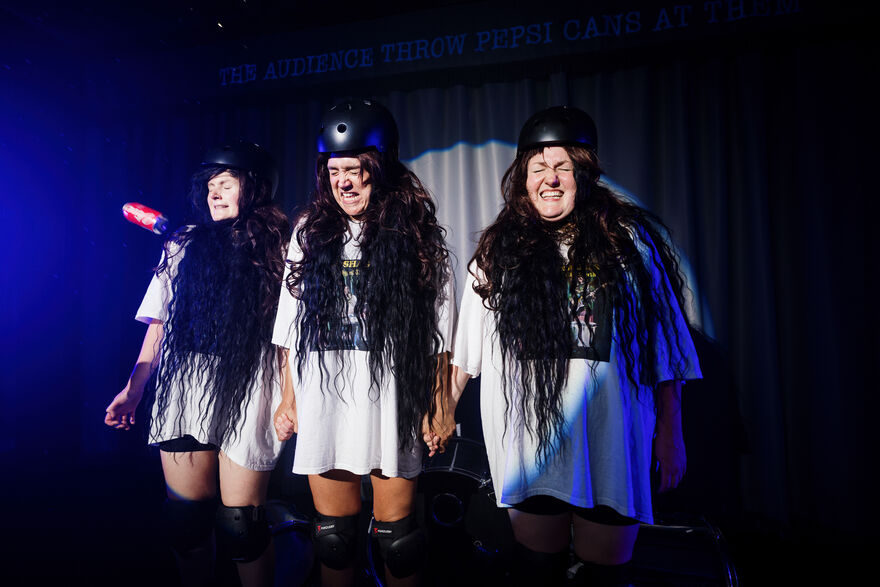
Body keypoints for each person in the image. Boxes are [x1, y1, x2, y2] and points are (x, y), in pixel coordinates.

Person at [441, 106, 702, 587]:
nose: (551, 179)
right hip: (531, 449)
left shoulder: (629, 244)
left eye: (562, 167)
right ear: (523, 178)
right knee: (536, 572)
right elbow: (466, 354)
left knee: (603, 577)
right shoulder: (499, 254)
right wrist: (442, 410)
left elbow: (664, 347)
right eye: (539, 168)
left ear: (583, 172)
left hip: (612, 445)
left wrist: (672, 431)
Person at [272, 98, 455, 587]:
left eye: (355, 169)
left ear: (381, 166)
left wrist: (439, 406)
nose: (344, 182)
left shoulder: (417, 235)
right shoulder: (309, 232)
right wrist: (289, 399)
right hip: (327, 400)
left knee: (400, 544)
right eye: (334, 172)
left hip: (391, 402)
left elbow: (441, 335)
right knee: (334, 540)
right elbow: (290, 328)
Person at [105, 140, 290, 587]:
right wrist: (134, 388)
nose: (215, 193)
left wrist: (290, 398)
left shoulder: (282, 247)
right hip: (185, 386)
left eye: (226, 183)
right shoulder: (183, 243)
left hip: (251, 387)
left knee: (240, 526)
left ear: (256, 188)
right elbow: (158, 324)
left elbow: (291, 333)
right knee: (185, 523)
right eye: (210, 185)